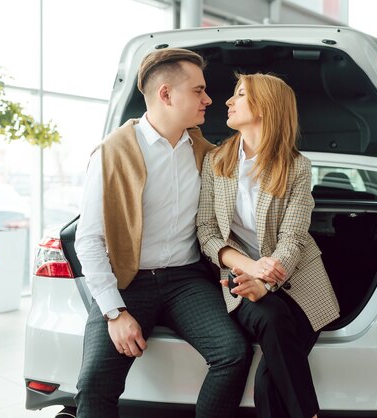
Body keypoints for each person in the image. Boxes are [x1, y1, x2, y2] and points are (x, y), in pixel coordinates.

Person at [74, 48, 252, 418]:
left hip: (185, 281)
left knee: (233, 353)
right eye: (199, 91)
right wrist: (114, 313)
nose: (209, 99)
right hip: (128, 282)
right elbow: (89, 240)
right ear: (166, 95)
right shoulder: (112, 153)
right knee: (93, 385)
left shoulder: (207, 153)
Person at [197, 73, 340, 418]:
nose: (228, 102)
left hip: (300, 279)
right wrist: (250, 271)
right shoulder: (216, 162)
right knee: (273, 317)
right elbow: (207, 232)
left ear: (264, 107)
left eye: (240, 95)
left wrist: (267, 280)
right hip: (240, 275)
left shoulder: (298, 167)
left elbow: (293, 237)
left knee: (268, 382)